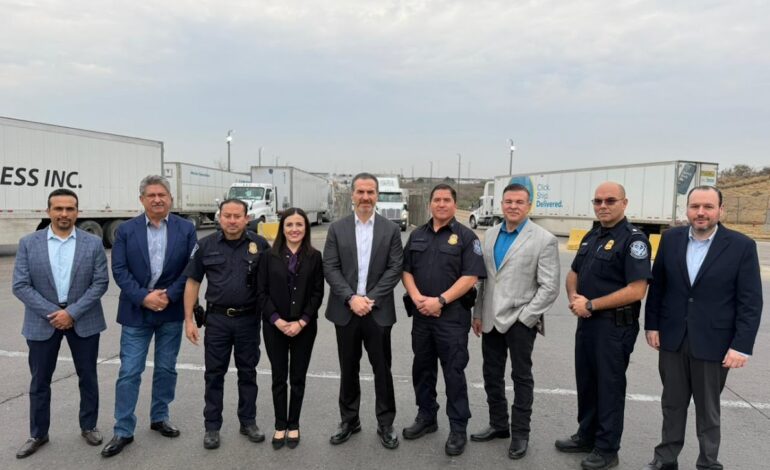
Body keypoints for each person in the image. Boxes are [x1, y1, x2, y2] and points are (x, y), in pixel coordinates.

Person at [642, 186, 762, 470]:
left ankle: (708, 463)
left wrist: (741, 345)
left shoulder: (742, 246)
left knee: (708, 411)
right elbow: (658, 286)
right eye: (695, 206)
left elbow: (750, 302)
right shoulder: (670, 240)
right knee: (672, 404)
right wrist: (652, 325)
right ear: (687, 209)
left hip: (714, 342)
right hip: (672, 338)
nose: (701, 212)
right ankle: (665, 459)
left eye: (708, 206)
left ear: (721, 210)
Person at [554, 181, 652, 470]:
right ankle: (586, 435)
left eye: (610, 200)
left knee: (609, 386)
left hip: (613, 327)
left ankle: (608, 449)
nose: (603, 206)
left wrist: (592, 305)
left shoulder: (633, 240)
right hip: (586, 321)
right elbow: (574, 272)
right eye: (598, 201)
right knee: (586, 382)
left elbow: (636, 290)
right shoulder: (592, 235)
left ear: (624, 203)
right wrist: (574, 299)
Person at [101, 175, 198, 457]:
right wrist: (144, 296)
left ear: (171, 199)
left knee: (167, 368)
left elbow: (191, 267)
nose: (157, 199)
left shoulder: (186, 229)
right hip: (136, 311)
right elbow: (119, 270)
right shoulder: (126, 230)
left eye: (162, 194)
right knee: (130, 371)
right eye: (151, 195)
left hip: (170, 310)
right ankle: (123, 429)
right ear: (141, 199)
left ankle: (159, 417)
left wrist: (169, 295)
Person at [12, 188, 109, 458]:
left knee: (88, 377)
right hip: (43, 321)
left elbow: (100, 282)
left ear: (77, 212)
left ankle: (89, 425)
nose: (64, 214)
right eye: (58, 209)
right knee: (39, 380)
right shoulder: (29, 243)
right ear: (49, 211)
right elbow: (20, 285)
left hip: (84, 319)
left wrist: (73, 312)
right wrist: (55, 313)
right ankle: (38, 434)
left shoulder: (92, 243)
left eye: (70, 209)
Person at [470, 183, 560, 460]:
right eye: (508, 201)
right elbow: (485, 279)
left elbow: (550, 286)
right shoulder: (491, 233)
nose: (513, 206)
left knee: (521, 378)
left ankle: (520, 433)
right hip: (490, 319)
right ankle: (498, 425)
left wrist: (526, 318)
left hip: (521, 321)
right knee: (491, 375)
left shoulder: (544, 239)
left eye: (519, 202)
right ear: (501, 204)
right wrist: (477, 313)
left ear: (529, 205)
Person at [401, 183, 486, 456]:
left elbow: (470, 276)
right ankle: (427, 417)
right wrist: (418, 299)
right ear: (430, 204)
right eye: (436, 199)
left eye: (446, 200)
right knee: (422, 370)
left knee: (453, 374)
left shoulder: (466, 237)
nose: (441, 204)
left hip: (452, 318)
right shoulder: (416, 236)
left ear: (454, 204)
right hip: (422, 316)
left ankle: (458, 428)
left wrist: (440, 301)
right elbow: (406, 271)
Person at [324, 173, 404, 449]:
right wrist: (350, 298)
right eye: (361, 192)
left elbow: (395, 268)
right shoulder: (337, 229)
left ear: (377, 195)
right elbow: (330, 268)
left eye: (371, 192)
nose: (366, 197)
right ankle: (349, 420)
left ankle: (385, 423)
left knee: (382, 369)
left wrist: (369, 299)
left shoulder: (391, 230)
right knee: (348, 368)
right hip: (346, 311)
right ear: (353, 195)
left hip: (377, 311)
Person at [183, 198, 270, 450]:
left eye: (237, 216)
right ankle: (212, 426)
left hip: (248, 320)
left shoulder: (259, 245)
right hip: (217, 321)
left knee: (248, 373)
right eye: (227, 216)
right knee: (214, 375)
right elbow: (193, 282)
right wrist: (189, 319)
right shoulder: (205, 245)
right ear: (219, 217)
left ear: (246, 218)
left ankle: (248, 421)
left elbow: (271, 281)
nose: (232, 221)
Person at [257, 208, 324, 450]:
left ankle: (293, 424)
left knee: (297, 377)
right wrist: (276, 319)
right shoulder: (267, 256)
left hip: (304, 327)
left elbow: (317, 293)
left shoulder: (315, 257)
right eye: (289, 225)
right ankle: (279, 424)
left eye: (299, 224)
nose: (294, 229)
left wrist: (302, 321)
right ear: (282, 228)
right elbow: (261, 292)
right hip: (275, 326)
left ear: (306, 228)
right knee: (278, 377)